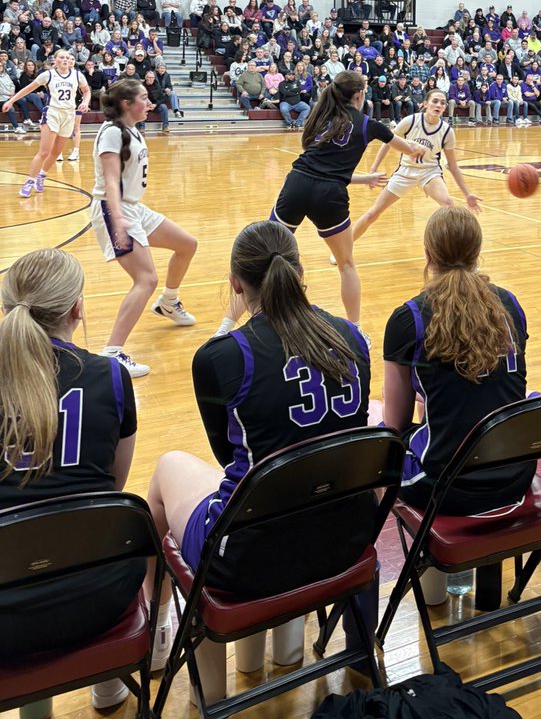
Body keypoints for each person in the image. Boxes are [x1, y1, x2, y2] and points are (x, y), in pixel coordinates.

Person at [144, 220, 374, 656]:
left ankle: (154, 633)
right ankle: (333, 649)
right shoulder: (352, 338)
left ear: (235, 282)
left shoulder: (221, 356)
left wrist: (229, 319)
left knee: (167, 469)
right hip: (345, 537)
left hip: (247, 560)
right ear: (300, 273)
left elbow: (227, 454)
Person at [0, 247, 149, 707]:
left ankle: (34, 707)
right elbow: (114, 485)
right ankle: (108, 686)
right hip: (100, 594)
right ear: (76, 309)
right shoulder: (111, 375)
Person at [383, 207, 532, 515]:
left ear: (427, 253)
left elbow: (395, 424)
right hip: (516, 473)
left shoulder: (409, 317)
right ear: (478, 251)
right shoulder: (510, 304)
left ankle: (433, 559)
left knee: (383, 445)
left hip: (444, 486)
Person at [267, 70, 426, 330]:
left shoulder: (321, 116)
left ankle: (231, 324)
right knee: (346, 265)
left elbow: (320, 169)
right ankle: (356, 329)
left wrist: (366, 179)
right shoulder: (366, 123)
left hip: (297, 183)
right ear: (360, 94)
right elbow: (405, 146)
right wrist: (417, 149)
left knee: (268, 254)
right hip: (329, 195)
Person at [91, 79, 198, 378]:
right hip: (114, 209)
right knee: (146, 279)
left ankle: (168, 303)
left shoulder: (130, 129)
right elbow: (111, 181)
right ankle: (113, 354)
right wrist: (119, 218)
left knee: (187, 244)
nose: (149, 102)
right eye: (143, 97)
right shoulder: (113, 132)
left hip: (134, 208)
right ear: (127, 104)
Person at [341, 89, 481, 256]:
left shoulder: (447, 131)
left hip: (430, 173)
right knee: (372, 214)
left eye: (443, 103)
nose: (439, 105)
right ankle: (341, 250)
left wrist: (467, 194)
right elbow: (387, 143)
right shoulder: (410, 121)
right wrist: (373, 169)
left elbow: (452, 165)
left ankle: (457, 255)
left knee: (449, 207)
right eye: (435, 101)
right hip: (405, 173)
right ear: (425, 104)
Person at [3, 48, 90, 197]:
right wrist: (11, 101)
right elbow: (27, 89)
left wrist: (85, 102)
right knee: (44, 152)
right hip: (52, 113)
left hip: (69, 115)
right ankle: (30, 181)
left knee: (56, 152)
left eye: (67, 57)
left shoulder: (77, 75)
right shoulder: (48, 75)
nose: (65, 59)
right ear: (55, 61)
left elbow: (87, 91)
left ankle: (42, 176)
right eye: (61, 57)